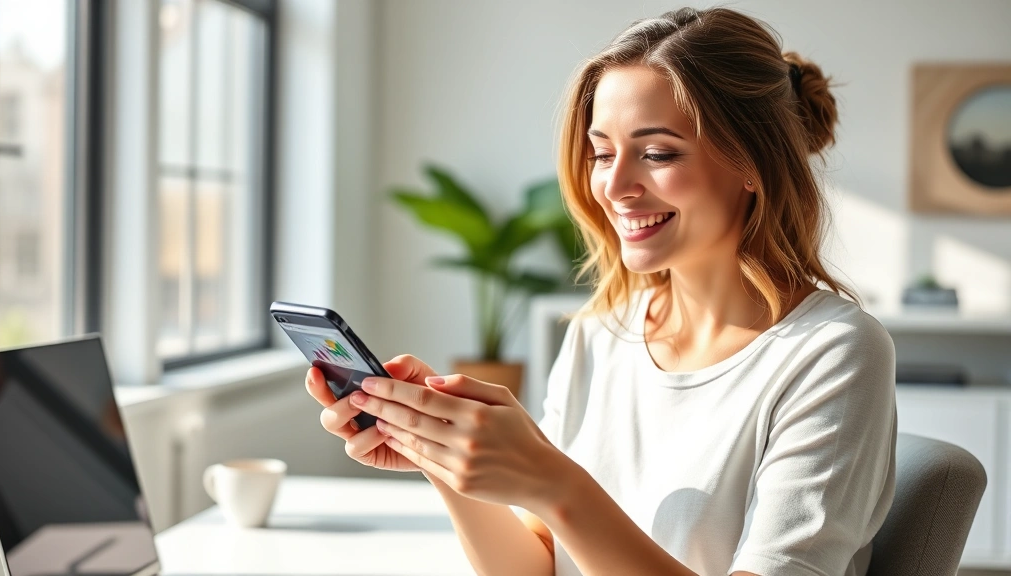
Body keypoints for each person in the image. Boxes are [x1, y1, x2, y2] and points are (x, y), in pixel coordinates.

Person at [305, 7, 896, 576]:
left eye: (657, 153)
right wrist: (446, 459)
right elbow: (539, 565)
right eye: (602, 154)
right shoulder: (601, 333)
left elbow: (562, 503)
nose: (613, 186)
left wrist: (553, 483)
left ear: (753, 162)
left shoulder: (833, 353)